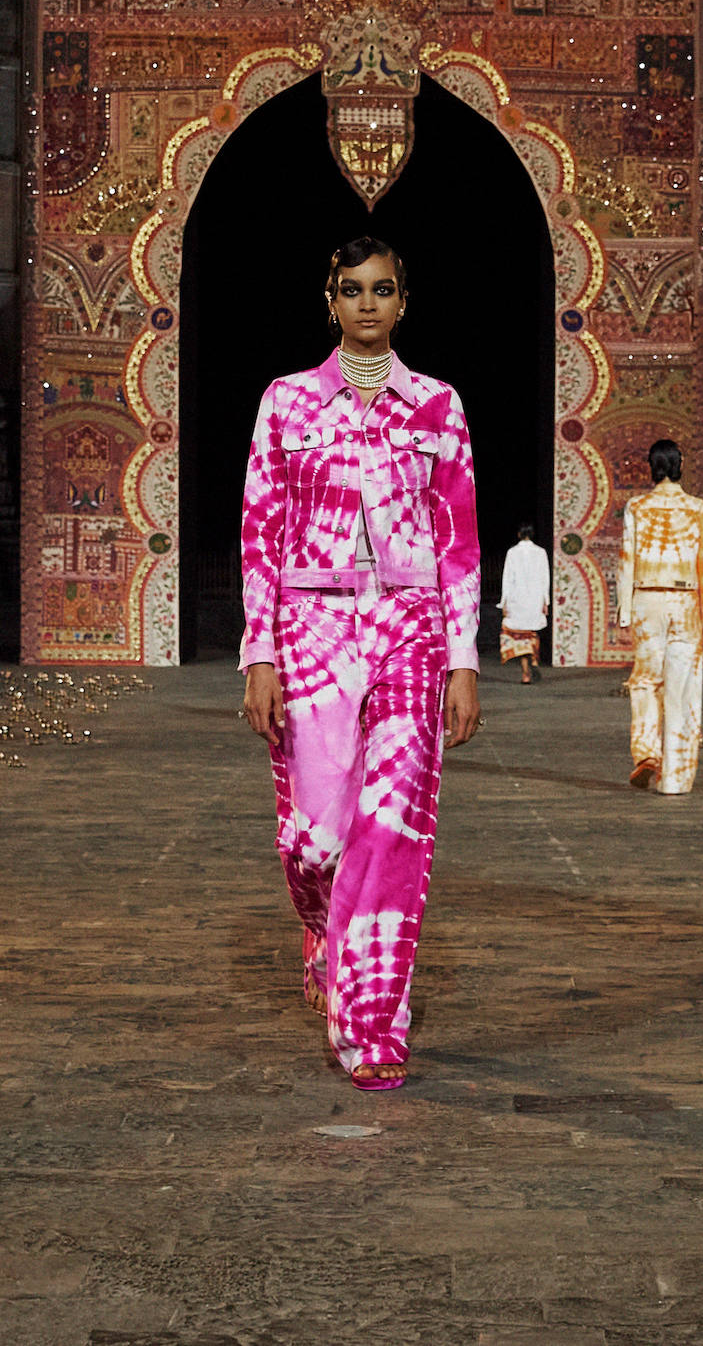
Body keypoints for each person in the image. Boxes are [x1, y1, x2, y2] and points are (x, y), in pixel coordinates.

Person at [240, 235, 482, 1092]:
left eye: (383, 290)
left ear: (403, 302)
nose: (368, 304)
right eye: (352, 290)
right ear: (330, 301)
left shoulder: (438, 406)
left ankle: (371, 1027)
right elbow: (259, 533)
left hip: (412, 628)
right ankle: (322, 930)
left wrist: (464, 660)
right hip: (312, 630)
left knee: (391, 829)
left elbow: (459, 539)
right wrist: (260, 653)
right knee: (315, 840)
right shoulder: (287, 403)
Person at [616, 438, 703, 793]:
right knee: (682, 689)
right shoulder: (698, 508)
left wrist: (624, 616)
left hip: (647, 600)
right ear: (680, 465)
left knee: (645, 680)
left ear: (652, 466)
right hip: (686, 601)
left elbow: (626, 561)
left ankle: (647, 752)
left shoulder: (637, 507)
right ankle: (674, 780)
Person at [499, 523, 550, 682]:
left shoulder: (512, 552)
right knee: (531, 633)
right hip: (535, 598)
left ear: (519, 534)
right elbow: (545, 578)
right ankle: (533, 659)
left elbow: (507, 578)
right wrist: (545, 601)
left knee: (519, 635)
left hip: (517, 598)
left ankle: (525, 674)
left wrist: (504, 602)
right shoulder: (540, 552)